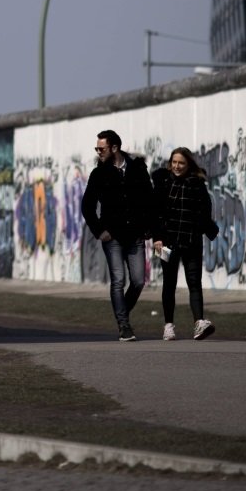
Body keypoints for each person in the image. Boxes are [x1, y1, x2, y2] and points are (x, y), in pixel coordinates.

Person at [81, 130, 156, 341]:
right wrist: (99, 230)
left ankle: (121, 311)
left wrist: (148, 227)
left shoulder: (138, 169)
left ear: (114, 148)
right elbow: (87, 206)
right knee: (118, 280)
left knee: (139, 281)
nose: (98, 152)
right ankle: (124, 325)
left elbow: (149, 201)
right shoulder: (99, 174)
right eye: (97, 148)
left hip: (135, 236)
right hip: (112, 237)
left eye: (101, 148)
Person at [151, 147, 220, 341]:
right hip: (166, 243)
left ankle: (199, 323)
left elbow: (206, 210)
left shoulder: (197, 184)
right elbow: (154, 213)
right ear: (170, 163)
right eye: (174, 162)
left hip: (191, 241)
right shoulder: (162, 182)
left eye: (181, 163)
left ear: (188, 164)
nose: (177, 166)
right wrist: (157, 237)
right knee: (169, 284)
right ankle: (168, 326)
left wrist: (202, 227)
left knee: (194, 283)